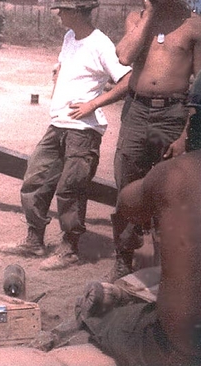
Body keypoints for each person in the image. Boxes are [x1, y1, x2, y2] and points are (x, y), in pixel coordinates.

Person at [0, 0, 131, 270]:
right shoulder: (70, 37)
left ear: (78, 10)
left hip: (82, 131)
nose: (58, 14)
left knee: (71, 188)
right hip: (58, 124)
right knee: (35, 179)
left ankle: (69, 248)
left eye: (62, 9)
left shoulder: (100, 43)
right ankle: (34, 241)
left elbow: (127, 79)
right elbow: (63, 66)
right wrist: (58, 78)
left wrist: (92, 105)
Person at [75, 71, 201, 366]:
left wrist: (162, 178)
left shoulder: (179, 174)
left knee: (101, 316)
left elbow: (127, 204)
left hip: (182, 347)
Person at [108, 0, 201, 281]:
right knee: (127, 186)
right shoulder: (137, 20)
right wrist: (148, 15)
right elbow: (123, 56)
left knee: (169, 189)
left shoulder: (194, 26)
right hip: (137, 111)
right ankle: (123, 258)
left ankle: (166, 269)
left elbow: (199, 87)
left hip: (172, 114)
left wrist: (184, 134)